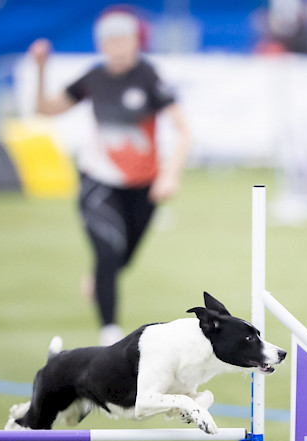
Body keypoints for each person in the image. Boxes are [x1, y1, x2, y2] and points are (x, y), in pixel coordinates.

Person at [28, 9, 190, 346]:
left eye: (124, 39)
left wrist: (169, 175)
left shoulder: (149, 76)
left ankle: (101, 276)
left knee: (122, 259)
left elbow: (183, 129)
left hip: (144, 185)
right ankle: (110, 334)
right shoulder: (93, 78)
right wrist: (41, 68)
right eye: (110, 40)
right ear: (101, 44)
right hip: (98, 181)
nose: (117, 47)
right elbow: (45, 109)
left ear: (136, 41)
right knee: (107, 251)